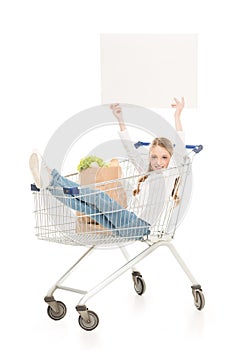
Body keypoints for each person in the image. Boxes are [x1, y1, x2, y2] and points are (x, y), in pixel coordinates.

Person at [29, 98, 185, 238]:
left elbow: (179, 150)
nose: (158, 162)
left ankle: (52, 176)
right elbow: (131, 151)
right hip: (125, 224)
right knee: (86, 208)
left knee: (97, 196)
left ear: (170, 159)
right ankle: (49, 184)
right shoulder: (146, 174)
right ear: (149, 158)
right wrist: (120, 119)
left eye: (164, 157)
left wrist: (177, 116)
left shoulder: (170, 174)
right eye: (154, 157)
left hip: (139, 225)